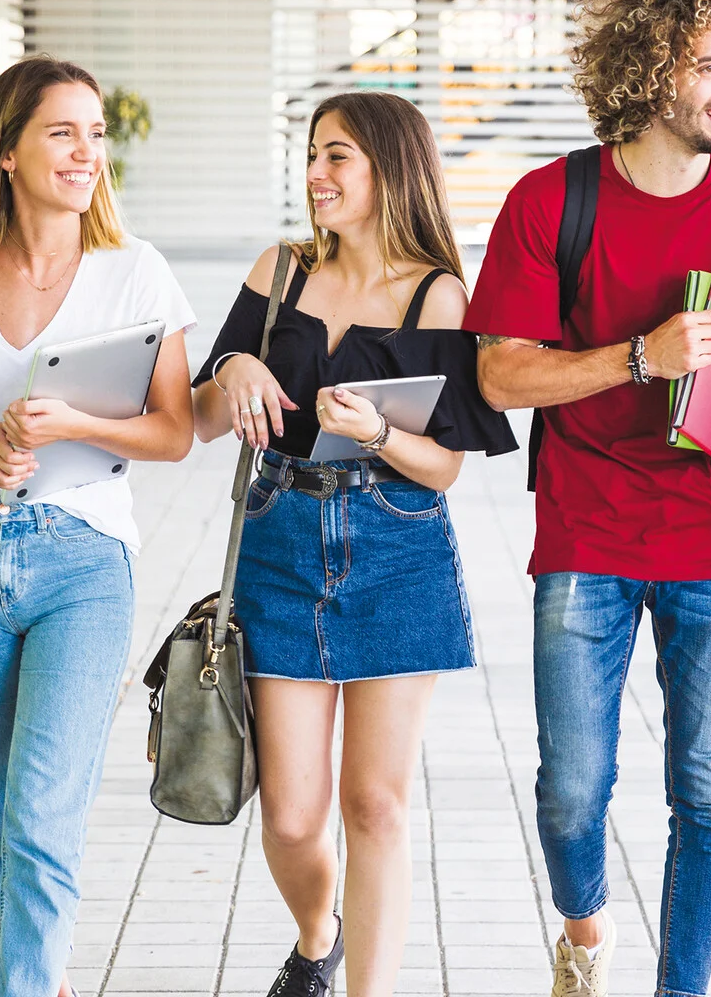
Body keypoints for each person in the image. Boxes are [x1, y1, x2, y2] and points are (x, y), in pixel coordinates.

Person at [465, 0, 711, 997]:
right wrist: (638, 358)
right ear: (648, 65)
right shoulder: (549, 202)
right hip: (589, 526)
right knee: (574, 789)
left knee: (705, 791)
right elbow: (500, 376)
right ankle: (584, 933)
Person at [0, 56, 197, 997]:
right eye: (63, 132)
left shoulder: (135, 270)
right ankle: (45, 970)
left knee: (45, 809)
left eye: (96, 133)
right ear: (8, 150)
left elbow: (174, 431)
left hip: (84, 557)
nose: (86, 152)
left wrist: (80, 424)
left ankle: (23, 984)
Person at [191, 91, 515, 997]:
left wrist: (376, 432)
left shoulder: (437, 292)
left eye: (338, 157)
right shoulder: (281, 271)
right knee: (293, 818)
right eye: (311, 155)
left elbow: (446, 466)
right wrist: (233, 365)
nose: (316, 175)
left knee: (375, 803)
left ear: (390, 170)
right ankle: (316, 934)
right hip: (281, 535)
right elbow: (206, 419)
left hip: (395, 541)